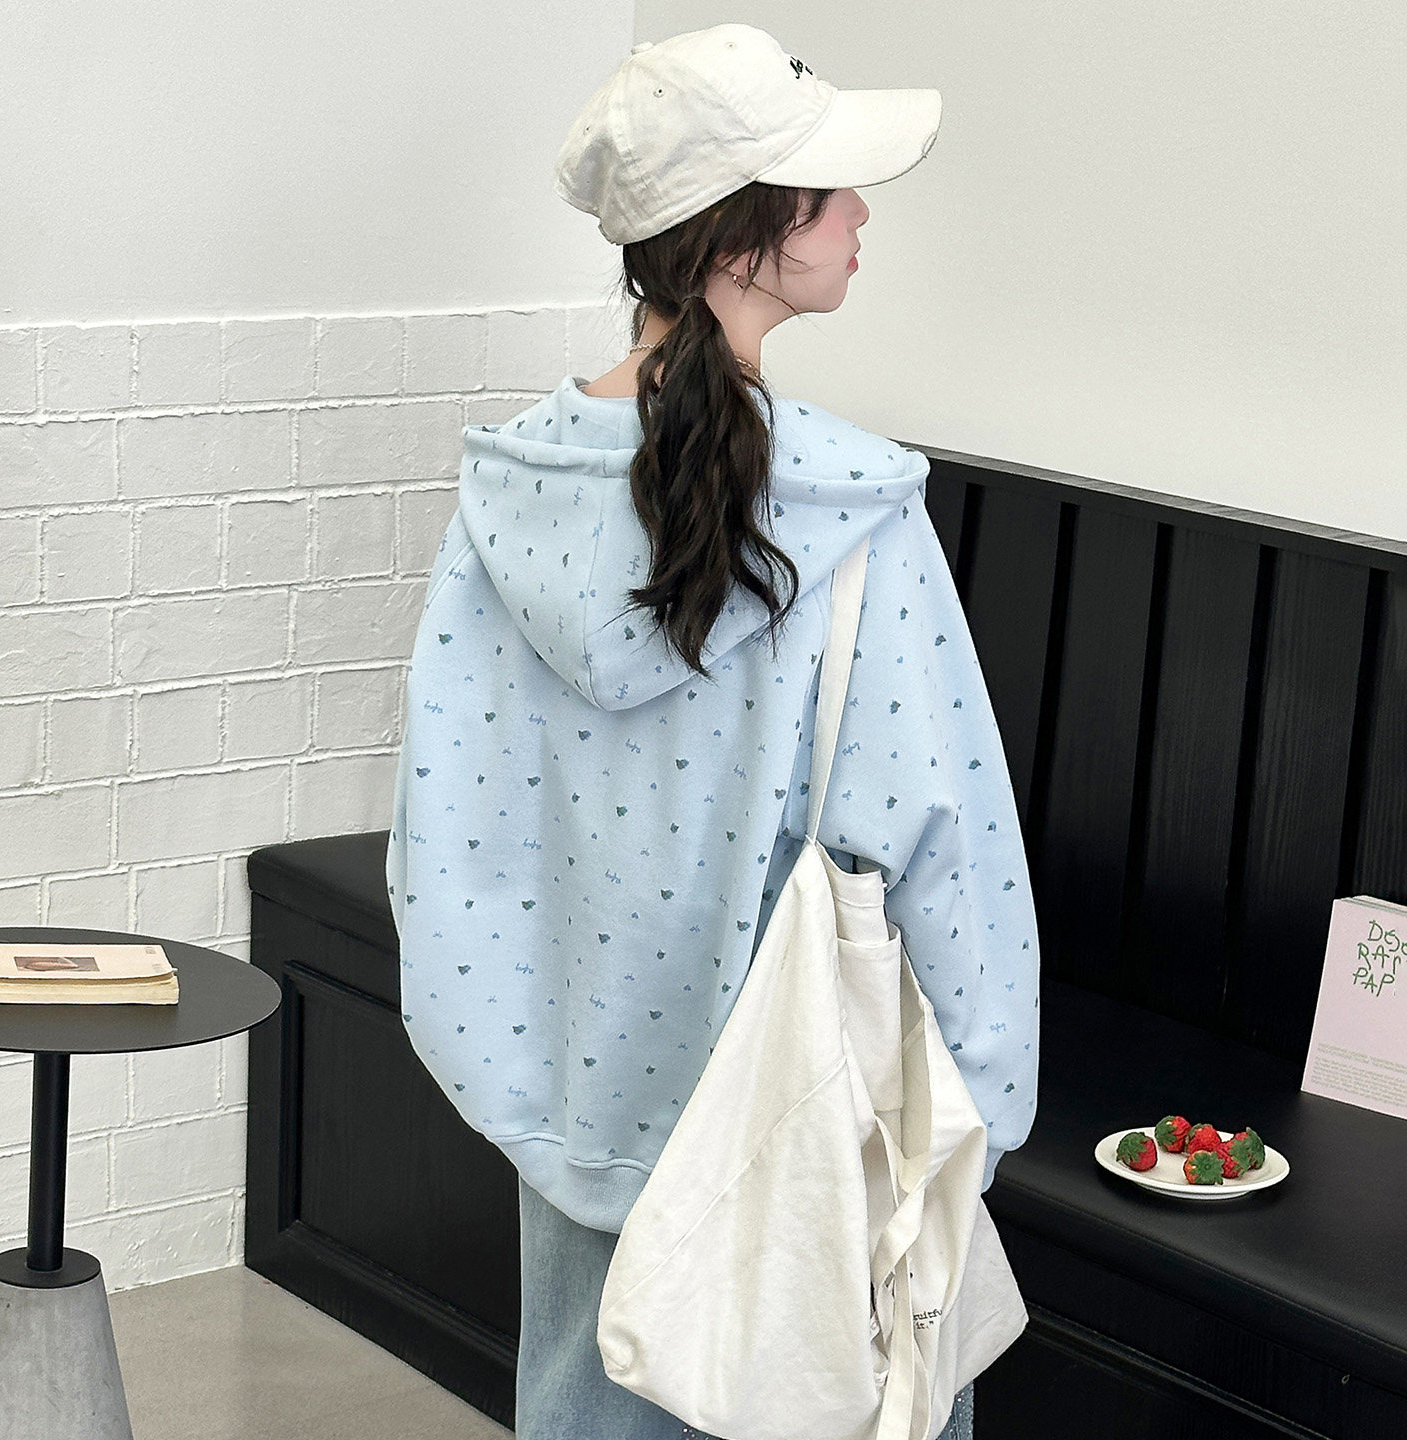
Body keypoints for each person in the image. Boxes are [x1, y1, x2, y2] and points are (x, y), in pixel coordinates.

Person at [386, 23, 1040, 1440]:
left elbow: (451, 825)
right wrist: (983, 1102)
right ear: (744, 232)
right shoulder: (855, 515)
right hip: (801, 1114)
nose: (860, 213)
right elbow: (942, 840)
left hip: (578, 1085)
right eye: (829, 187)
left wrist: (528, 1075)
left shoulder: (510, 496)